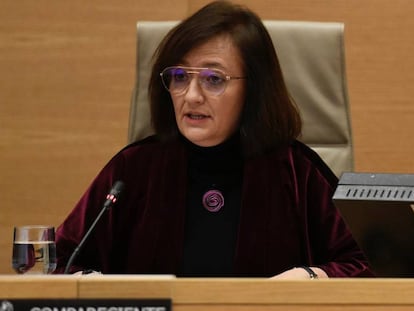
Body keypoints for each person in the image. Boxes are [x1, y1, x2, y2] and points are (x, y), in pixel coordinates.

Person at [54, 0, 373, 278]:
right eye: (179, 77)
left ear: (254, 90)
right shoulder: (132, 170)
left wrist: (311, 276)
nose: (191, 96)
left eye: (213, 79)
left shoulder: (297, 171)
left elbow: (369, 266)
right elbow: (62, 263)